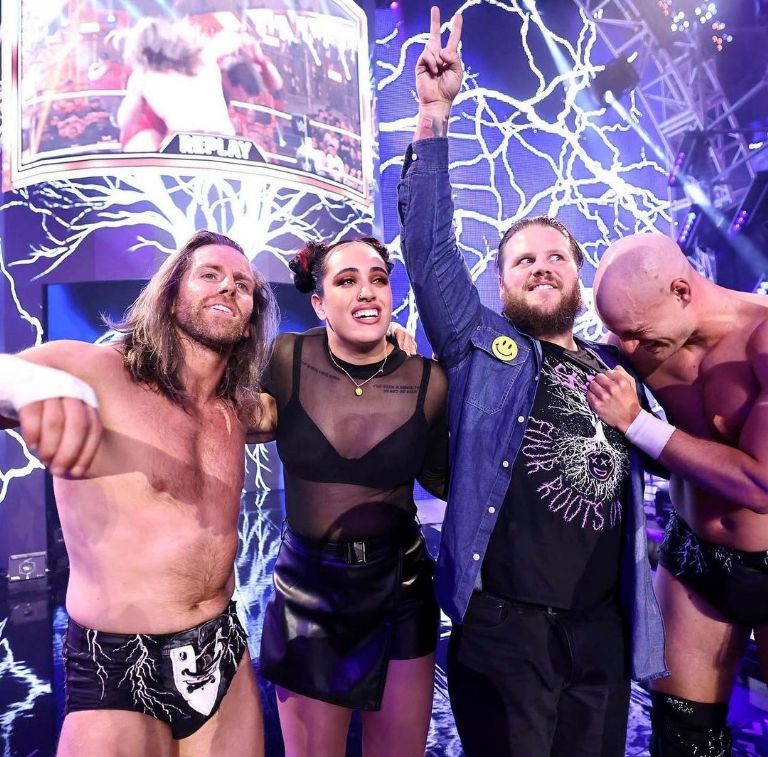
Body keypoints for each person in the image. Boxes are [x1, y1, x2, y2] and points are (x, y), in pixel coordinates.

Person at [396, 8, 667, 756]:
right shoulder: (482, 346)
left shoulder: (619, 368)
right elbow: (428, 249)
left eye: (556, 258)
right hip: (505, 629)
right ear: (501, 280)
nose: (542, 268)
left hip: (602, 629)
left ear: (579, 275)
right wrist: (434, 115)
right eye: (524, 260)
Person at [0, 229, 278, 756]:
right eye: (210, 275)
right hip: (116, 665)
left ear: (248, 323)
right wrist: (31, 386)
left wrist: (384, 344)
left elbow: (320, 399)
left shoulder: (238, 409)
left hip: (222, 647)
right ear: (171, 296)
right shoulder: (96, 370)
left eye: (243, 285)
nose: (228, 287)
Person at [257, 236, 448, 756]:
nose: (367, 292)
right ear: (319, 303)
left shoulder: (428, 380)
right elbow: (221, 406)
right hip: (309, 590)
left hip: (401, 586)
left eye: (378, 279)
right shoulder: (285, 358)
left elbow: (444, 478)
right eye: (347, 281)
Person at [585, 232, 768, 756]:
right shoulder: (644, 335)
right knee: (682, 736)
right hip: (695, 557)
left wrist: (638, 424)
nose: (628, 349)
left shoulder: (761, 337)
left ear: (681, 291)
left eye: (636, 334)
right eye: (619, 333)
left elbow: (760, 485)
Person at [117, 17, 234, 152]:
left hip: (187, 144)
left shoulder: (142, 76)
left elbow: (125, 121)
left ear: (139, 50)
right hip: (228, 144)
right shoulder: (204, 57)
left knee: (147, 146)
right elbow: (230, 41)